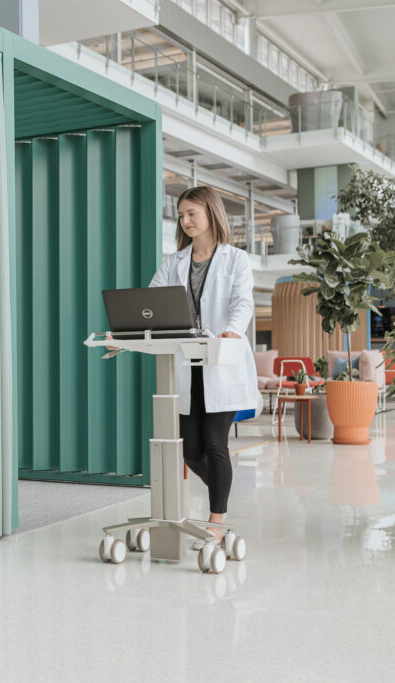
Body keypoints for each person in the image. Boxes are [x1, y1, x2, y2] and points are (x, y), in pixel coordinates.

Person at [148, 185, 259, 546]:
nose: (185, 220)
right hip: (186, 365)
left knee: (214, 443)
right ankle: (222, 489)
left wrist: (231, 331)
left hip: (220, 362)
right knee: (190, 449)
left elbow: (243, 303)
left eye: (191, 213)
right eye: (181, 215)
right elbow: (152, 301)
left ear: (211, 213)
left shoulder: (235, 259)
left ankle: (216, 521)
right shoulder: (174, 262)